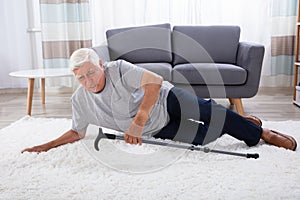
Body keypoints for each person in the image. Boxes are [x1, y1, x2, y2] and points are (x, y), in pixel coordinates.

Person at [22, 48, 297, 153]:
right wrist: (45, 146)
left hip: (165, 99)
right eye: (80, 77)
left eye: (91, 72)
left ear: (101, 65)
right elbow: (76, 131)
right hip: (157, 127)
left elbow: (153, 82)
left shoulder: (118, 69)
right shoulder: (80, 100)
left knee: (210, 111)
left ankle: (261, 133)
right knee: (204, 136)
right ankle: (241, 122)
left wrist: (138, 121)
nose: (89, 81)